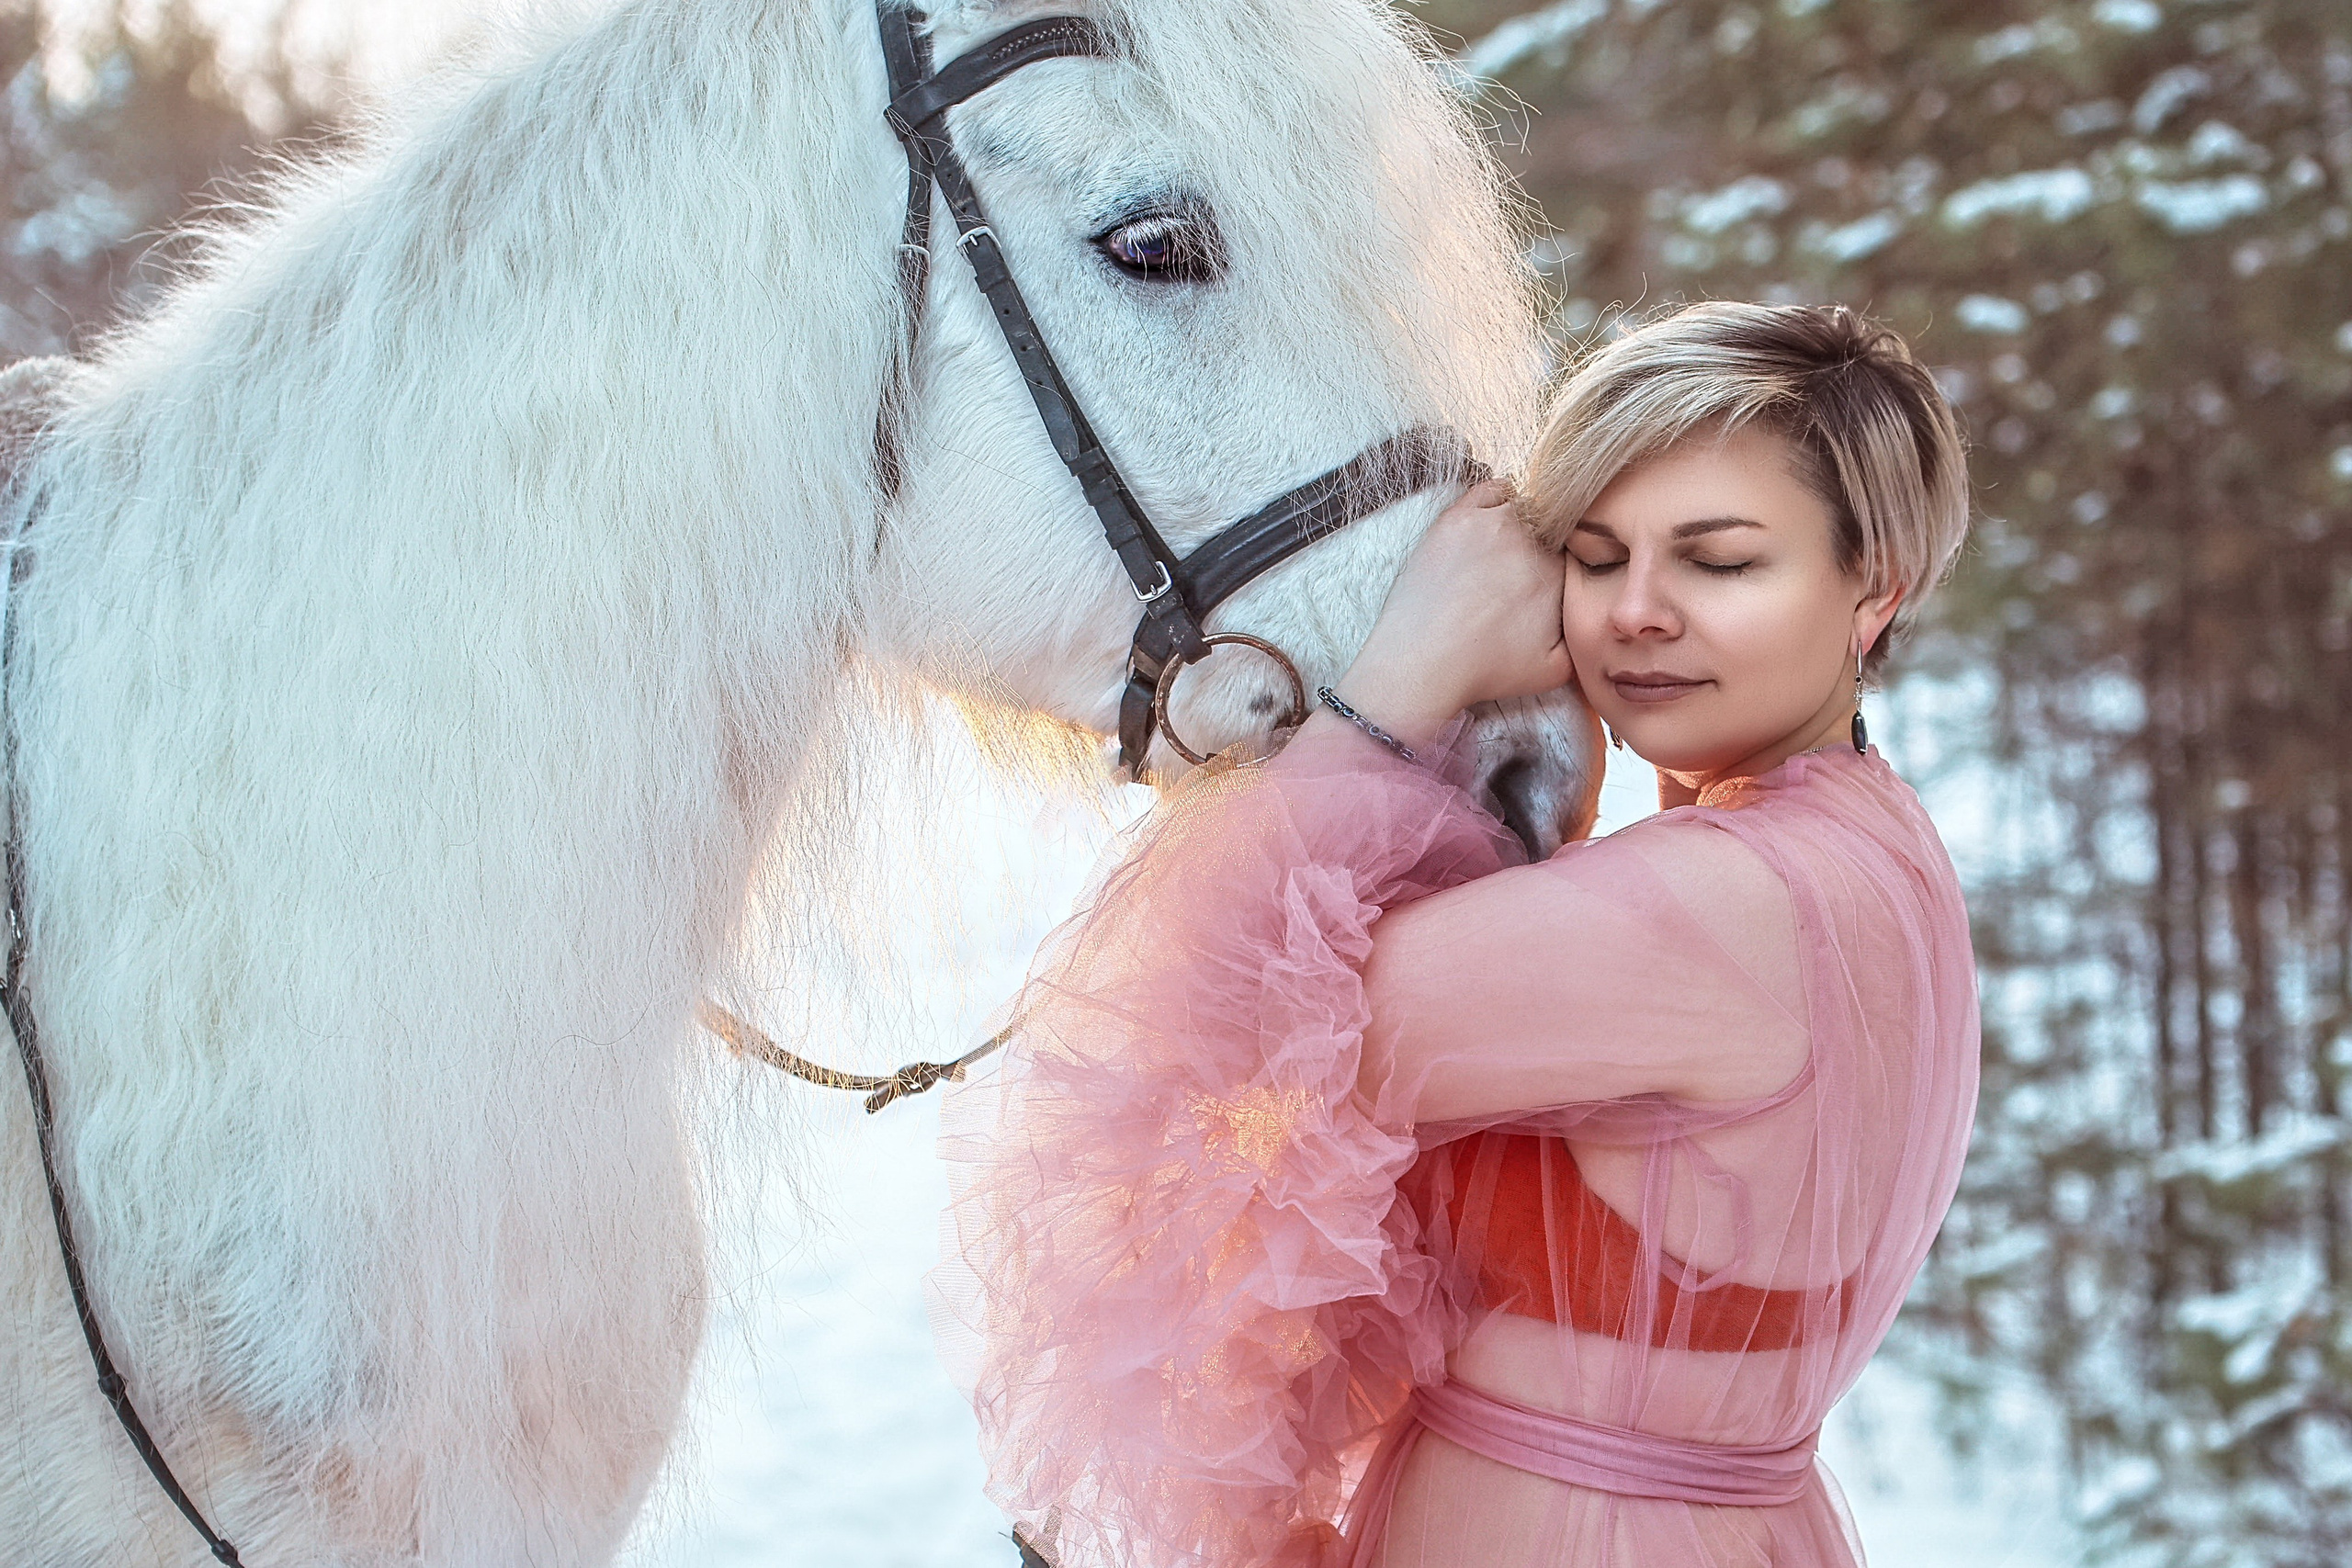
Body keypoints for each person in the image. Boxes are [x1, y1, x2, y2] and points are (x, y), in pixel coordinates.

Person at [932, 301, 1981, 1568]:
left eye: (1719, 562)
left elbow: (1239, 1029)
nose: (1639, 611)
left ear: (1873, 595)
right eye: (1597, 558)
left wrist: (1400, 680)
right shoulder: (1868, 842)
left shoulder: (1736, 900)